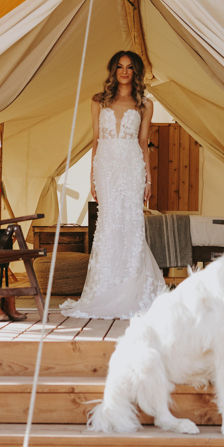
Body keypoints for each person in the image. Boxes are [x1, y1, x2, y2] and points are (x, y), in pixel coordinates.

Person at [61, 51, 166, 320]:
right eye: (120, 66)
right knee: (109, 224)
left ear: (136, 72)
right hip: (107, 167)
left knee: (130, 223)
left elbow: (143, 144)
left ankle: (132, 286)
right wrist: (92, 177)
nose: (124, 71)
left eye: (130, 67)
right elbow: (96, 140)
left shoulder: (145, 104)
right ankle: (106, 287)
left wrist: (148, 179)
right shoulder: (99, 101)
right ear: (113, 70)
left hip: (132, 167)